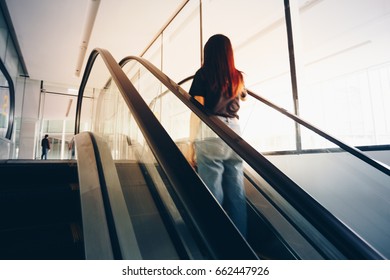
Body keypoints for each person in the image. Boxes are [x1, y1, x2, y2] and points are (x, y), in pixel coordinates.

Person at [188, 34, 247, 236]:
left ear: (208, 52)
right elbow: (243, 96)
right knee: (237, 193)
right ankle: (241, 245)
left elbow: (197, 111)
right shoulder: (238, 76)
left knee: (212, 193)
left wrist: (191, 144)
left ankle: (215, 244)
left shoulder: (203, 74)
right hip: (236, 135)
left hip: (211, 131)